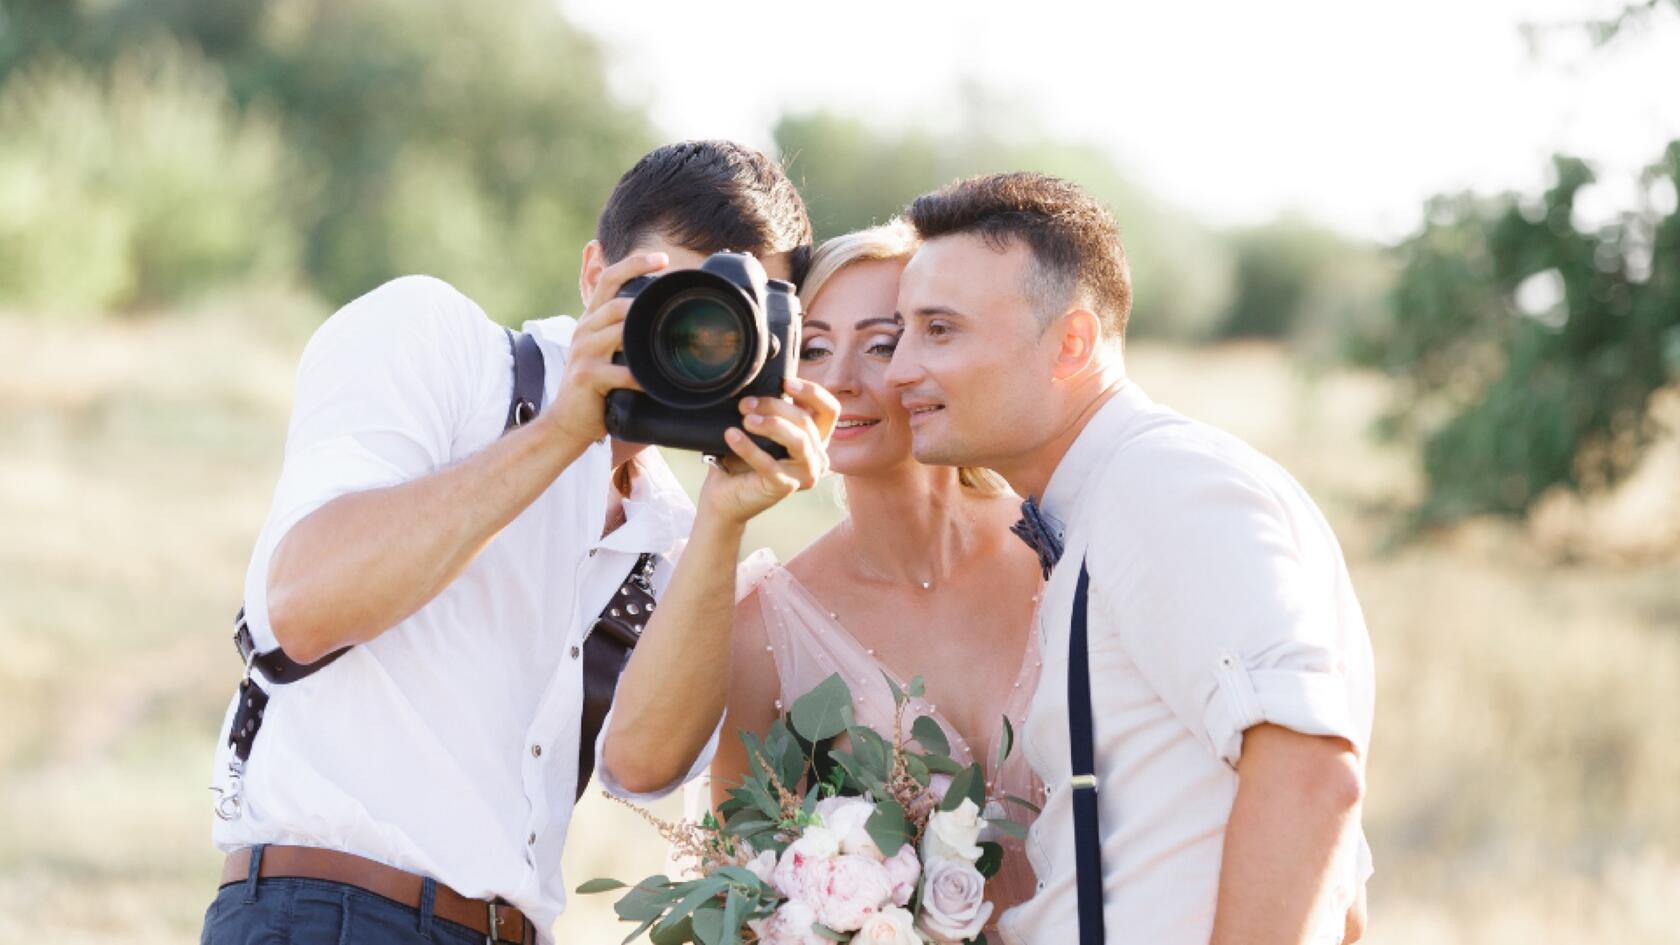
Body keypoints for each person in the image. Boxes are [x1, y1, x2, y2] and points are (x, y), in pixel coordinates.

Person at [200, 140, 838, 945]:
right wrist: (567, 428)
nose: (690, 338)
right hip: (332, 912)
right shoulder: (440, 342)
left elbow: (643, 771)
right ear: (591, 273)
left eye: (726, 323)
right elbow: (300, 606)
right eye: (666, 296)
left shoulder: (675, 529)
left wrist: (726, 517)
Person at [887, 172, 1374, 945]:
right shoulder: (1109, 501)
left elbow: (1312, 775)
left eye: (939, 329)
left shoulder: (1166, 485)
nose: (898, 368)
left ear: (1072, 342)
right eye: (903, 330)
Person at [708, 220, 1047, 933]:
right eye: (817, 348)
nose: (839, 380)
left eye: (883, 343)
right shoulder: (765, 628)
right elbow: (738, 899)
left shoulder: (1059, 543)